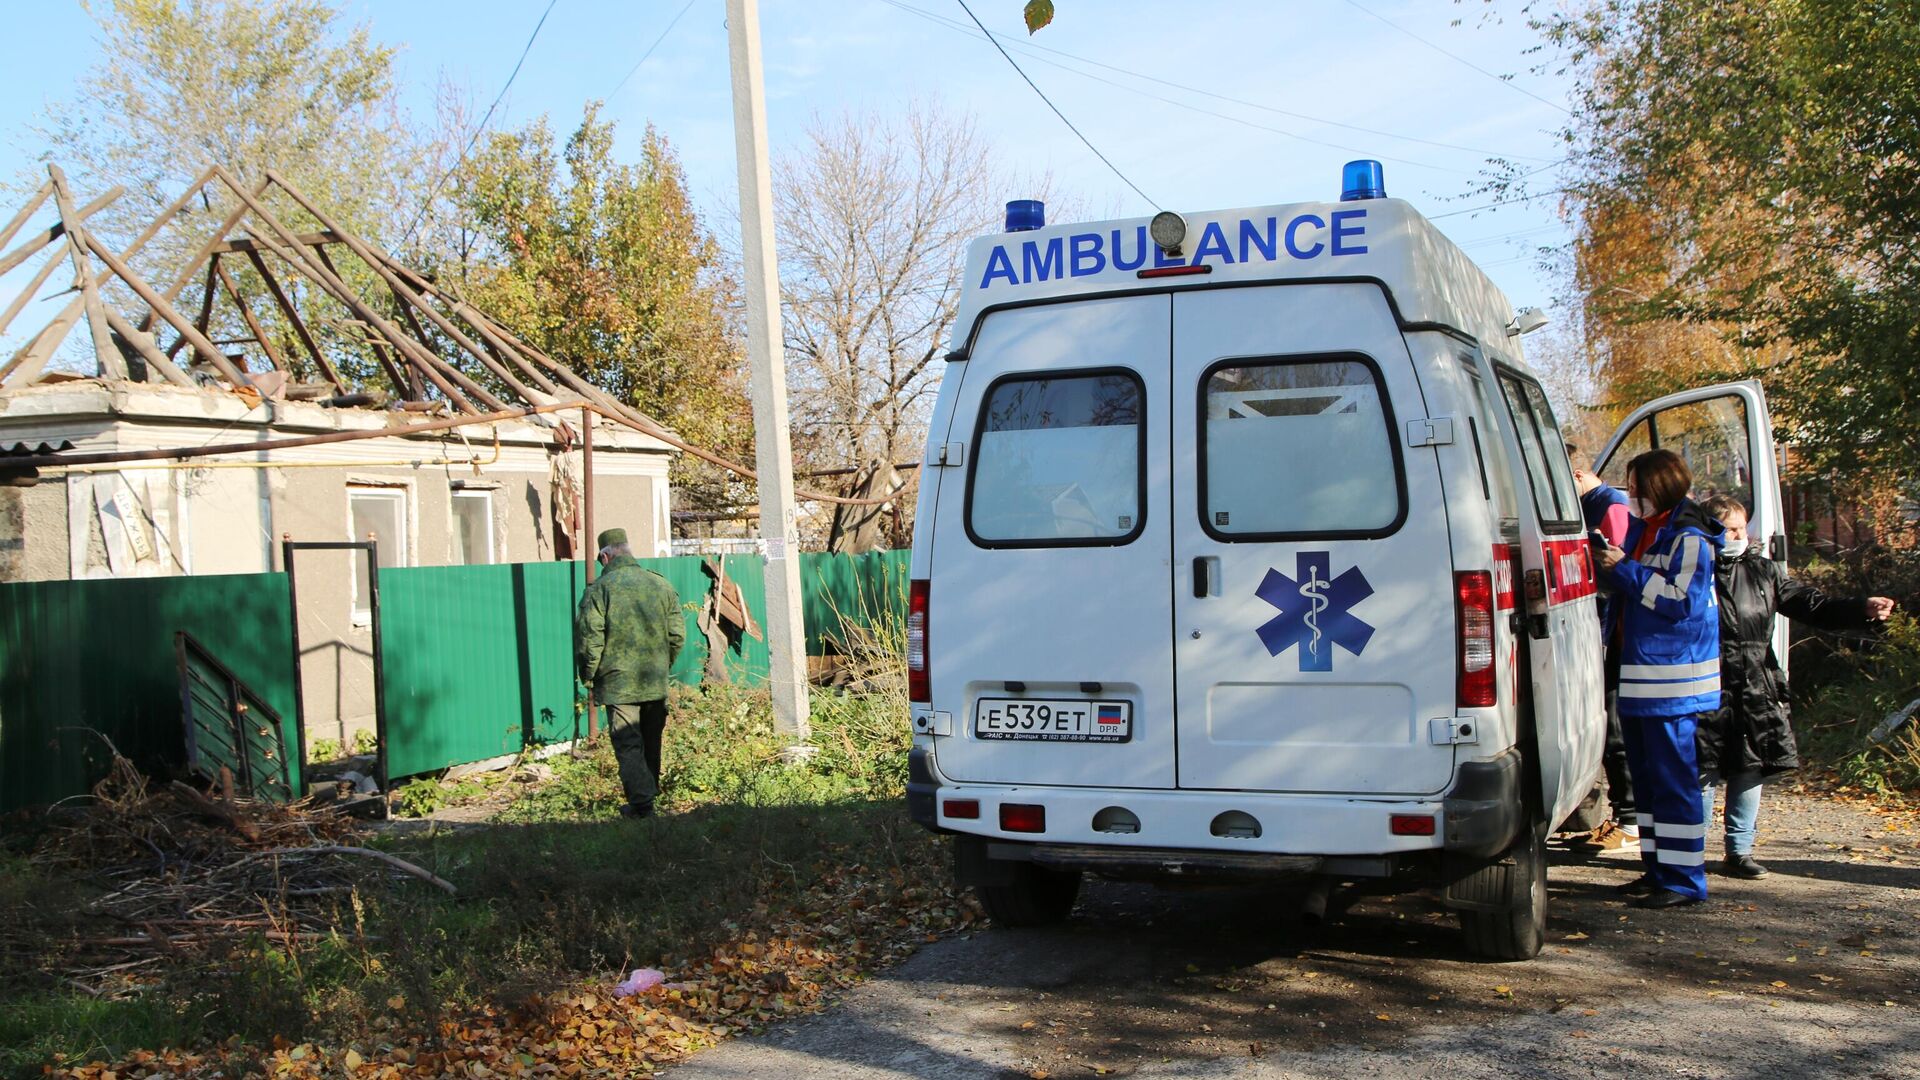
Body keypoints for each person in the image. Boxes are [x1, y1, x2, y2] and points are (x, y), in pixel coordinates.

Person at [1697, 494, 1895, 877]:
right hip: (1707, 683)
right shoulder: (1691, 570)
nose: (1739, 535)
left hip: (1756, 683)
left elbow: (1812, 605)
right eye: (1730, 529)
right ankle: (1690, 850)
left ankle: (1739, 851)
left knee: (1750, 767)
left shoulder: (1763, 571)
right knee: (1703, 769)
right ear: (1710, 531)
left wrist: (1861, 608)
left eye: (1742, 527)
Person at [1594, 449, 1724, 909]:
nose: (1632, 496)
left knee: (1673, 784)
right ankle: (1657, 871)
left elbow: (1677, 600)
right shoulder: (1650, 530)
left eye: (1637, 488)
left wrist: (1623, 569)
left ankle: (1684, 881)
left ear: (1661, 486)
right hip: (1640, 678)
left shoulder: (1690, 537)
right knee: (1648, 784)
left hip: (1671, 684)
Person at [575, 527, 685, 818]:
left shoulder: (599, 590)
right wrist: (662, 665)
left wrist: (588, 674)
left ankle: (642, 806)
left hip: (618, 682)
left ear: (605, 555)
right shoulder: (660, 585)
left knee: (628, 743)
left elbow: (590, 639)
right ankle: (649, 795)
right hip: (654, 679)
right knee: (652, 740)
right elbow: (677, 635)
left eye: (601, 561)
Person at [1571, 447, 1637, 851]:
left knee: (1615, 728)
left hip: (1613, 629)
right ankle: (1623, 816)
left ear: (1578, 474)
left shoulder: (1611, 505)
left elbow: (1619, 565)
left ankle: (1629, 819)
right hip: (1603, 627)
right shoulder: (1597, 504)